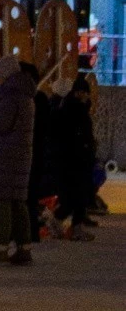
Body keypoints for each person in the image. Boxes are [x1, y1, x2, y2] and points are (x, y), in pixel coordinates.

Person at [0, 53, 38, 266]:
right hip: (19, 157)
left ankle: (1, 248)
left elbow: (1, 125)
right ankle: (24, 248)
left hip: (6, 157)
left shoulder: (11, 95)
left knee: (3, 203)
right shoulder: (25, 94)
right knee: (18, 203)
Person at [53, 73, 99, 240]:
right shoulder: (74, 110)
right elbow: (74, 136)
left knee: (77, 196)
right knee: (75, 196)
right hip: (74, 159)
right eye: (81, 92)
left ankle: (69, 224)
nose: (84, 95)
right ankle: (68, 224)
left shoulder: (74, 109)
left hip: (77, 159)